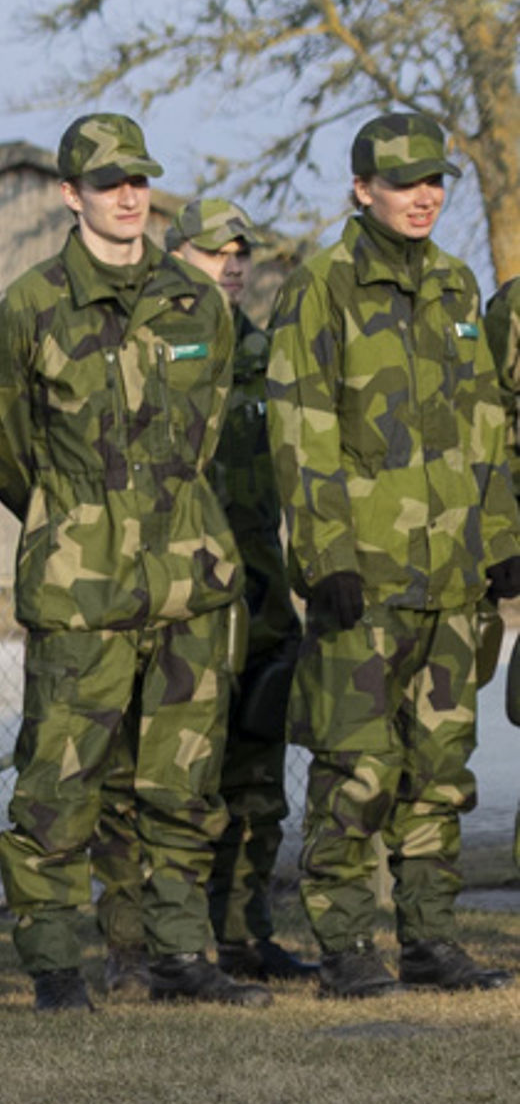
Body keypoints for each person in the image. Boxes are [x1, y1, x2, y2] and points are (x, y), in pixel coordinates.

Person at [0, 116, 250, 1011]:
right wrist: (70, 518)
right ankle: (56, 964)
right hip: (81, 591)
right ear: (69, 194)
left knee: (183, 785)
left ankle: (178, 954)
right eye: (108, 183)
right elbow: (0, 446)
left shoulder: (196, 302)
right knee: (59, 787)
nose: (129, 197)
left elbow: (203, 433)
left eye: (139, 181)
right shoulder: (25, 309)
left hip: (187, 579)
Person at [272, 111, 520, 994]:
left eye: (435, 180)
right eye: (406, 181)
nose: (425, 196)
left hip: (451, 582)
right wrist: (325, 556)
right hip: (364, 582)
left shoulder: (455, 287)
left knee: (440, 772)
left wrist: (499, 544)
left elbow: (486, 427)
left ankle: (429, 938)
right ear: (361, 188)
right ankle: (345, 945)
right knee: (355, 767)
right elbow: (300, 434)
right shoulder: (322, 287)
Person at [174, 200, 316, 981]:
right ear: (176, 255)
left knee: (257, 782)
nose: (230, 264)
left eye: (240, 253)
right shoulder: (159, 348)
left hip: (262, 594)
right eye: (213, 251)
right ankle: (170, 939)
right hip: (181, 597)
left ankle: (245, 931)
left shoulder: (267, 358)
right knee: (177, 783)